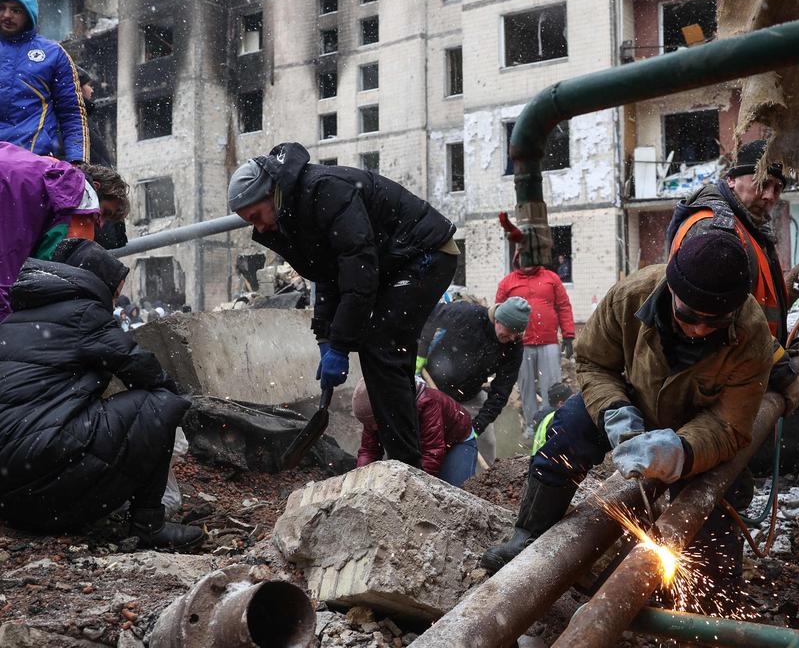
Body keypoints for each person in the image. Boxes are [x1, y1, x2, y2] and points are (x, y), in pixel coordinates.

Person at [481, 231, 798, 578]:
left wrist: (682, 450)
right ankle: (530, 533)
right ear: (672, 289)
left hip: (698, 425)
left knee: (718, 500)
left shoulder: (751, 335)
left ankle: (705, 600)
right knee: (568, 430)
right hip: (635, 399)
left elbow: (729, 425)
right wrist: (613, 409)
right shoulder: (631, 296)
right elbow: (592, 362)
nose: (699, 330)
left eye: (715, 321)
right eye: (689, 315)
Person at [228, 142, 458, 469]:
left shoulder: (325, 191)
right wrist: (325, 338)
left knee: (380, 345)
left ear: (271, 193)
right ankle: (407, 458)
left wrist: (341, 343)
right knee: (387, 351)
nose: (258, 226)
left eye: (256, 215)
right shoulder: (293, 214)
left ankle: (405, 465)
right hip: (393, 264)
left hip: (426, 254)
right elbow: (327, 273)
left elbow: (358, 269)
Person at [0, 239, 203, 549]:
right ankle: (149, 524)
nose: (116, 300)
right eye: (116, 292)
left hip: (11, 499)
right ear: (98, 284)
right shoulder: (84, 314)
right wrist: (180, 410)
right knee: (158, 402)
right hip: (43, 480)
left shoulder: (13, 321)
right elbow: (142, 367)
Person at [666, 138, 799, 405]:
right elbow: (725, 324)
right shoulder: (718, 232)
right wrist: (783, 374)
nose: (770, 195)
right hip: (716, 391)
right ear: (731, 180)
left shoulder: (746, 228)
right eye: (761, 183)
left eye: (777, 187)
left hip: (741, 376)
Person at [0, 143, 129, 320]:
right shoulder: (79, 204)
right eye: (105, 212)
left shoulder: (46, 167)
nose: (101, 223)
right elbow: (42, 275)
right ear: (96, 187)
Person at [415, 296, 531, 465]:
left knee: (487, 442)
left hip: (469, 397)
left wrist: (476, 427)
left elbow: (501, 392)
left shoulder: (514, 347)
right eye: (510, 331)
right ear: (498, 319)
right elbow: (430, 316)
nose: (513, 337)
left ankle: (483, 484)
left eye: (517, 333)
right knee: (423, 437)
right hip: (432, 387)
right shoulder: (468, 314)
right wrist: (420, 354)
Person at [0, 0, 89, 163]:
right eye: (2, 8)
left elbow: (72, 113)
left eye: (15, 10)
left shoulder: (53, 54)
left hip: (35, 166)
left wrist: (77, 163)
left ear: (29, 14)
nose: (7, 15)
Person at [496, 261, 576, 437]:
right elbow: (498, 312)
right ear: (517, 259)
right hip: (520, 344)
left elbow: (563, 306)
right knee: (526, 387)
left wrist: (568, 334)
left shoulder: (552, 278)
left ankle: (553, 423)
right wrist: (500, 343)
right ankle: (533, 426)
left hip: (548, 340)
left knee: (552, 386)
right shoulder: (507, 282)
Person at [352, 378, 478, 487]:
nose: (373, 428)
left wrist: (412, 486)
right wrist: (360, 480)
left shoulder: (427, 403)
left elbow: (432, 452)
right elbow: (369, 450)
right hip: (419, 442)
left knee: (454, 494)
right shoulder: (374, 415)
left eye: (375, 422)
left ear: (385, 410)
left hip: (456, 441)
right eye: (369, 425)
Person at [530, 381, 574, 456]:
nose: (574, 402)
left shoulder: (546, 416)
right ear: (561, 404)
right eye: (571, 400)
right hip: (547, 463)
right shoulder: (557, 418)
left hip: (539, 461)